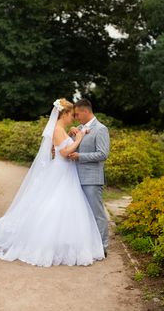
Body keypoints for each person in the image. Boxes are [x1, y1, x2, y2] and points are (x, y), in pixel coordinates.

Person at [0, 98, 105, 267]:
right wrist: (78, 139)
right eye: (72, 114)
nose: (73, 118)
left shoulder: (61, 129)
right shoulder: (57, 129)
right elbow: (64, 152)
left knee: (64, 206)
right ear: (64, 114)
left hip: (66, 171)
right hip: (62, 171)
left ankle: (61, 243)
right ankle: (49, 244)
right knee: (56, 205)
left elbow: (62, 145)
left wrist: (72, 135)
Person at [68, 99, 110, 257]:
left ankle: (102, 247)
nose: (76, 117)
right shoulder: (78, 129)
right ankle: (87, 246)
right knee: (81, 213)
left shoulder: (101, 129)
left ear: (86, 111)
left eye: (77, 114)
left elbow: (103, 154)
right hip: (75, 178)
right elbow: (69, 147)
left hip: (92, 179)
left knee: (97, 214)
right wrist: (70, 135)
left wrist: (80, 156)